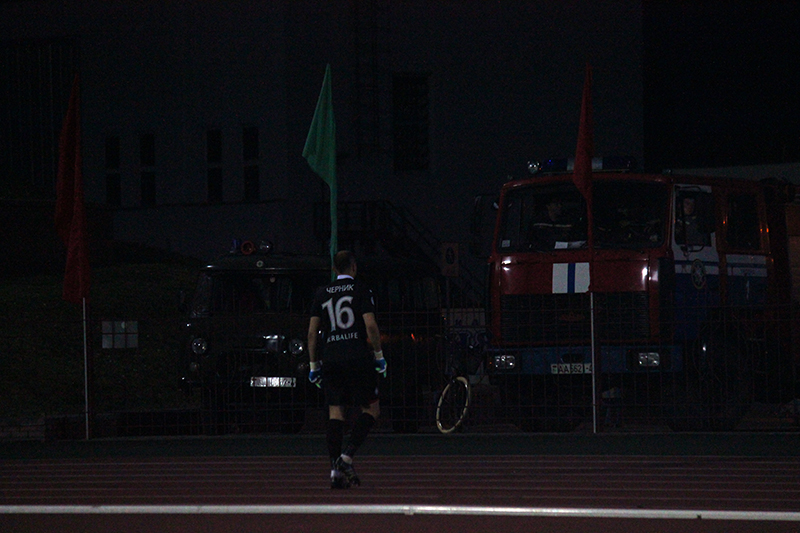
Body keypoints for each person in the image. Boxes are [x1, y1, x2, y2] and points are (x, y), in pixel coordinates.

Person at [307, 250, 386, 489]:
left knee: (336, 412)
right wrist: (379, 355)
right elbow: (370, 325)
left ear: (334, 269)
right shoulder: (361, 289)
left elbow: (312, 333)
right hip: (357, 356)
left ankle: (335, 473)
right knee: (371, 409)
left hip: (331, 357)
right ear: (353, 267)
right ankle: (346, 457)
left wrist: (313, 365)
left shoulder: (321, 293)